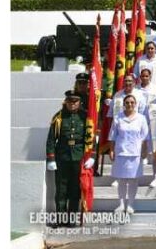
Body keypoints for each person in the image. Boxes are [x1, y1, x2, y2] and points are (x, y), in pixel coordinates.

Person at [45, 90, 94, 227]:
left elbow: (91, 137)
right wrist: (51, 159)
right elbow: (51, 139)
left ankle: (72, 218)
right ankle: (61, 218)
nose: (72, 104)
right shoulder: (59, 117)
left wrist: (92, 155)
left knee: (75, 189)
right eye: (70, 101)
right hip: (62, 156)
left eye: (75, 101)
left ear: (79, 102)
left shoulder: (85, 117)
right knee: (61, 189)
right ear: (65, 102)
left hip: (78, 157)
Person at [109, 94, 150, 214]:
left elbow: (145, 137)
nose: (129, 105)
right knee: (122, 180)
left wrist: (144, 151)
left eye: (132, 102)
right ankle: (121, 204)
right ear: (123, 105)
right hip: (121, 152)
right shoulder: (118, 118)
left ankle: (131, 204)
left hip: (135, 153)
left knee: (133, 180)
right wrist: (111, 150)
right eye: (127, 103)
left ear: (135, 104)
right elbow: (112, 136)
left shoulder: (141, 118)